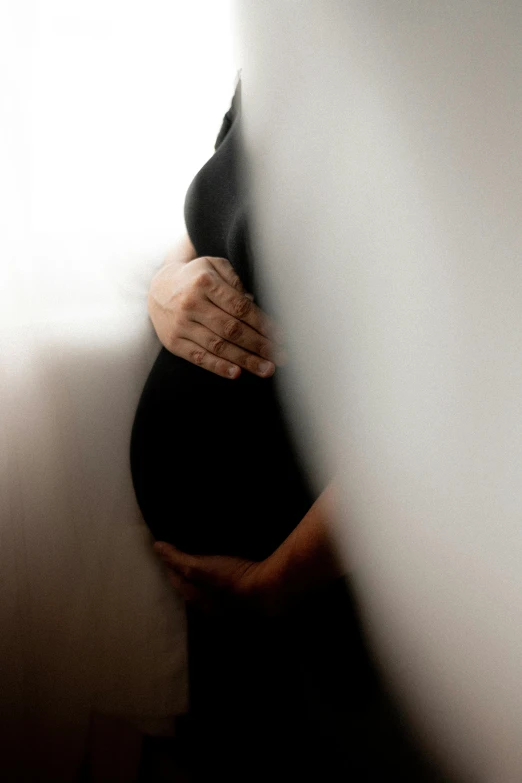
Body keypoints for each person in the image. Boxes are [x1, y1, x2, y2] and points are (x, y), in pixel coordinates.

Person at [130, 76, 433, 782]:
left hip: (318, 584)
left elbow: (435, 411)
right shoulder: (277, 55)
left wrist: (276, 582)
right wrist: (165, 290)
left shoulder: (439, 97)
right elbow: (212, 213)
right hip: (229, 593)